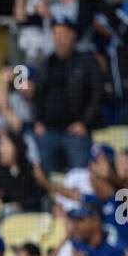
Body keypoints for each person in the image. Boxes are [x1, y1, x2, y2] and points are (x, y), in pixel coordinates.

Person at [33, 17, 103, 172]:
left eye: (63, 35)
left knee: (79, 176)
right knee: (51, 178)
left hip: (75, 132)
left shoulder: (86, 61)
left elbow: (97, 95)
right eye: (56, 35)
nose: (59, 39)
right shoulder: (46, 63)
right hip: (49, 132)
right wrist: (37, 121)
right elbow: (38, 95)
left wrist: (84, 123)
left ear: (73, 36)